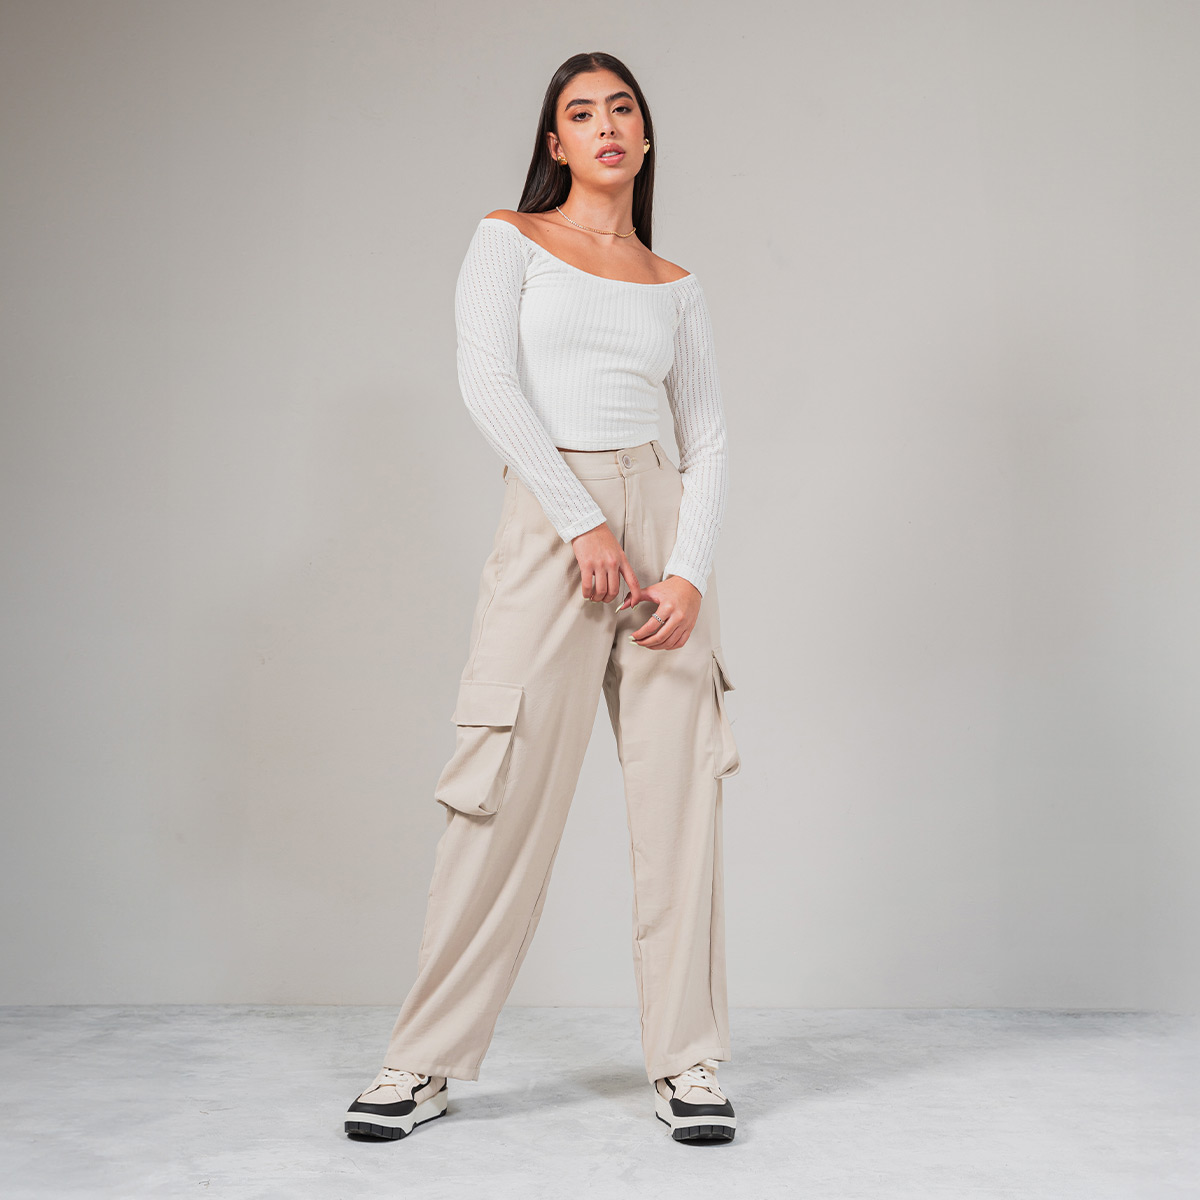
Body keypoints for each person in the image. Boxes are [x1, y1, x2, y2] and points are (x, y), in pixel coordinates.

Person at [344, 51, 741, 1146]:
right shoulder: (509, 240)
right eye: (580, 112)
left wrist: (690, 569)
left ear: (645, 137)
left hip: (662, 520)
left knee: (683, 803)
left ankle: (690, 1063)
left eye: (622, 109)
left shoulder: (676, 285)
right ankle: (422, 1060)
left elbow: (707, 435)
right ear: (555, 143)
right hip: (554, 516)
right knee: (501, 783)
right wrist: (579, 520)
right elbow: (487, 381)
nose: (605, 125)